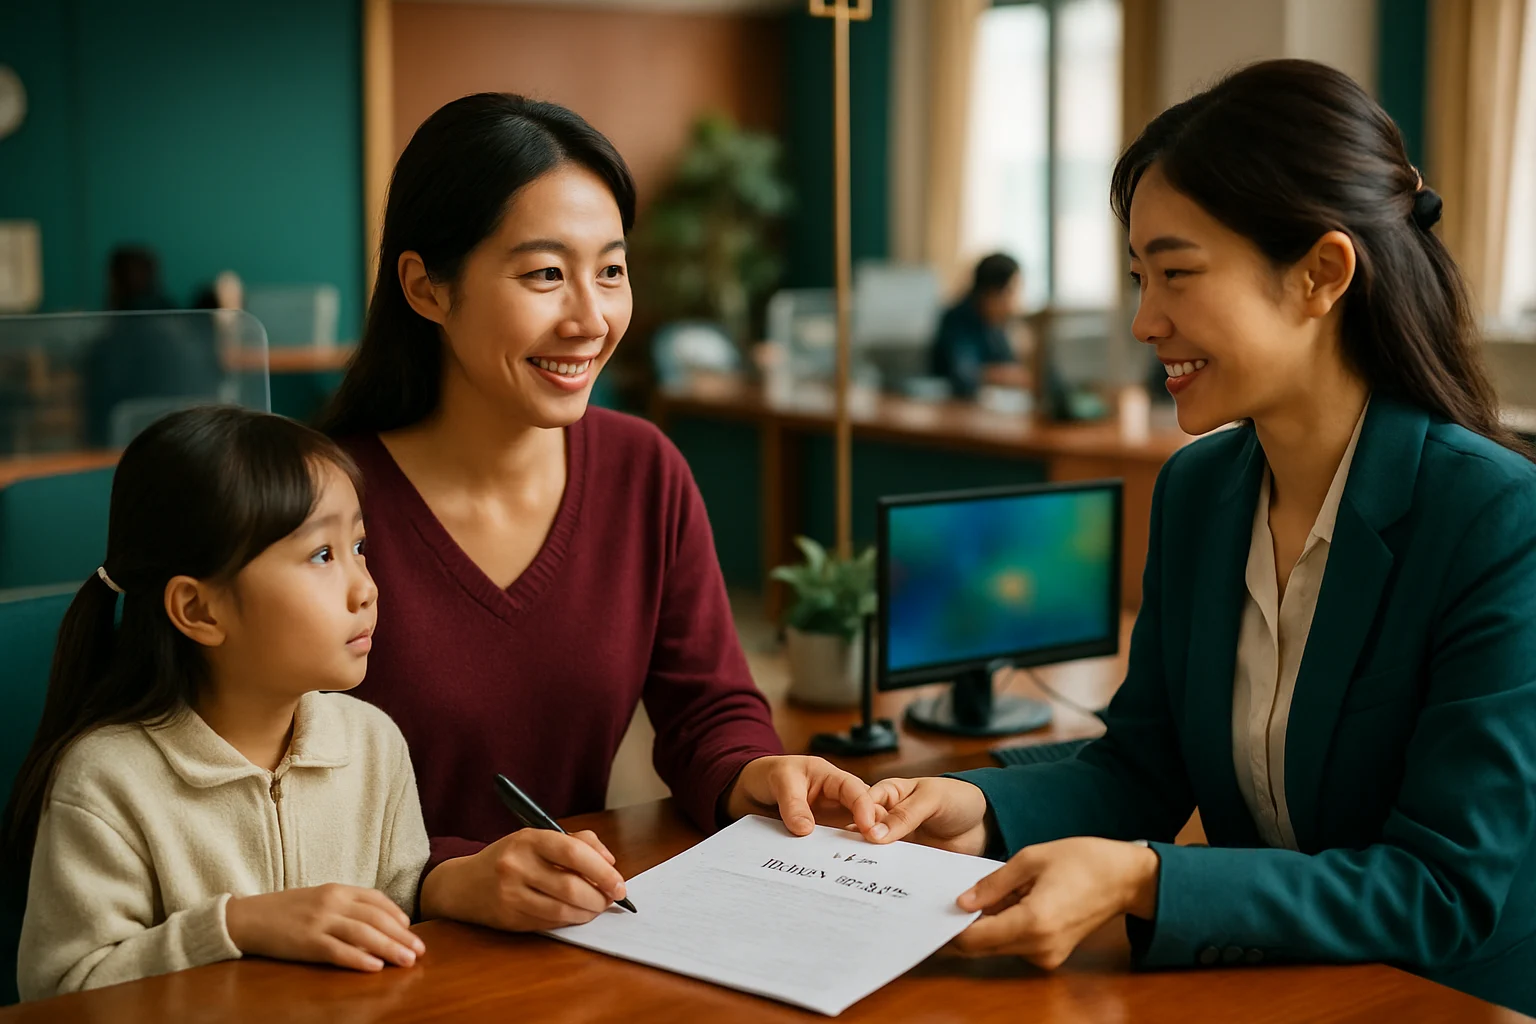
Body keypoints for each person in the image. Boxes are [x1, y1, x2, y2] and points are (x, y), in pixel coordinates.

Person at [865, 59, 1536, 1015]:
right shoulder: (1199, 489)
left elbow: (1444, 889)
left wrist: (1147, 881)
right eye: (1140, 276)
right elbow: (1144, 765)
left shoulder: (1494, 518)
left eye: (1177, 273)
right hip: (1263, 983)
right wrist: (977, 808)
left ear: (1322, 273)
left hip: (1437, 999)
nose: (1144, 320)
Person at [316, 93, 879, 934]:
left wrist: (756, 771)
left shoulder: (642, 469)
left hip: (572, 937)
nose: (591, 319)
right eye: (545, 273)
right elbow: (262, 801)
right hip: (369, 953)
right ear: (425, 288)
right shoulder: (318, 509)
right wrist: (443, 877)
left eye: (610, 270)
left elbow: (708, 710)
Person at [6, 407, 430, 999]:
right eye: (322, 556)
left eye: (358, 545)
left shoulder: (372, 744)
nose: (367, 587)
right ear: (200, 611)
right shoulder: (106, 781)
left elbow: (403, 917)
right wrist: (235, 927)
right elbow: (63, 990)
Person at [83, 247, 223, 447]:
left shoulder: (115, 341)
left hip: (135, 451)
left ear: (113, 282)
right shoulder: (189, 326)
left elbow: (99, 423)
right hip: (198, 445)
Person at [929, 253, 1030, 399]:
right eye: (1010, 293)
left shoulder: (994, 323)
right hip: (953, 409)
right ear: (991, 293)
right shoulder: (958, 320)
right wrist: (1010, 375)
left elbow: (1010, 364)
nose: (1013, 303)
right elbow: (965, 375)